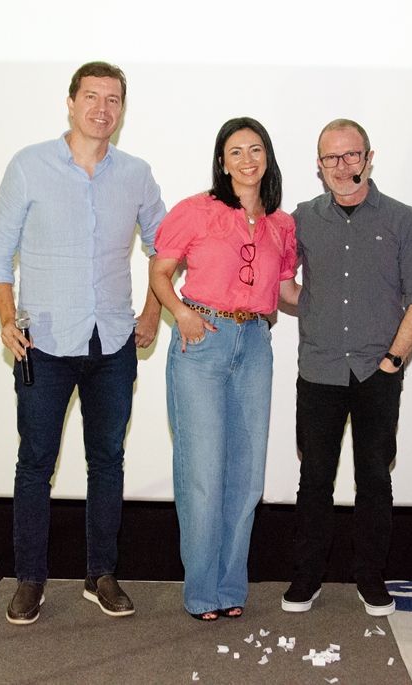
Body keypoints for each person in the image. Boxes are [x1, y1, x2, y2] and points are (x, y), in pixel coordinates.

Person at [0, 61, 166, 626]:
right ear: (70, 101)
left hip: (112, 341)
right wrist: (7, 318)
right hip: (44, 344)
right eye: (92, 96)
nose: (102, 109)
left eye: (113, 100)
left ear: (122, 109)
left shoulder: (135, 173)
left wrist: (153, 312)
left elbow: (165, 246)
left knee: (107, 461)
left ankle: (100, 574)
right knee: (35, 464)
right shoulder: (29, 165)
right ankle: (30, 580)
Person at [279, 119, 412, 617]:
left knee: (374, 480)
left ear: (370, 157)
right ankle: (307, 580)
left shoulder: (404, 219)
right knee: (314, 480)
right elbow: (282, 285)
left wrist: (392, 360)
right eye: (332, 158)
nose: (343, 166)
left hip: (377, 373)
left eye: (352, 156)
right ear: (319, 167)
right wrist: (320, 309)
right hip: (318, 370)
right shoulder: (301, 218)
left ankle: (371, 579)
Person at [150, 117, 296, 621]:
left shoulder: (282, 223)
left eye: (256, 149)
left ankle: (232, 587)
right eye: (235, 152)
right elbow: (161, 271)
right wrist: (182, 314)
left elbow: (284, 290)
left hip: (255, 343)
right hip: (203, 343)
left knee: (247, 476)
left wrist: (340, 304)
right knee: (203, 474)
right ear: (221, 162)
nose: (247, 160)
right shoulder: (196, 211)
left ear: (268, 157)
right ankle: (201, 592)